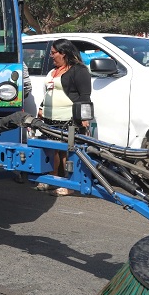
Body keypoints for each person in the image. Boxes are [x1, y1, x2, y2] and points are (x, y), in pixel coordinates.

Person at [36, 39, 92, 196]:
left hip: (70, 120)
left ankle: (70, 184)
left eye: (54, 53)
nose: (51, 56)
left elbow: (85, 95)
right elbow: (48, 92)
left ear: (64, 53)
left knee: (69, 152)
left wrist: (83, 117)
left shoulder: (79, 70)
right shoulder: (52, 71)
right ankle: (53, 180)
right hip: (49, 119)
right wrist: (41, 108)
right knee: (52, 150)